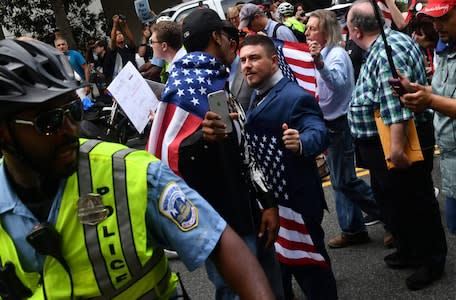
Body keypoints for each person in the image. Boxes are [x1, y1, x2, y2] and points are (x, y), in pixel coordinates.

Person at [0, 37, 274, 300]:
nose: (71, 130)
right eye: (49, 122)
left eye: (73, 111)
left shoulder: (130, 173)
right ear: (4, 134)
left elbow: (220, 243)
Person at [147, 9, 285, 299]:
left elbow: (244, 147)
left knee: (270, 288)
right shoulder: (185, 87)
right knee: (235, 291)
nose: (232, 42)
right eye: (227, 35)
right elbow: (169, 156)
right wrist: (203, 139)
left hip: (251, 211)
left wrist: (267, 203)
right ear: (216, 37)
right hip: (222, 222)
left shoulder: (217, 77)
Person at [346, 0, 447, 290]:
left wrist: (397, 149)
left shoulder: (391, 48)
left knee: (416, 201)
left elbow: (395, 102)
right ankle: (410, 250)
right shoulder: (383, 45)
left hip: (395, 142)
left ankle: (431, 261)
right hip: (381, 143)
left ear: (354, 31)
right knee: (395, 202)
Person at [240, 34, 337, 300]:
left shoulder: (294, 97)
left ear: (273, 62)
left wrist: (301, 142)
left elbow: (318, 131)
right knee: (280, 273)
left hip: (297, 205)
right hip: (273, 205)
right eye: (243, 60)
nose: (246, 65)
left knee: (312, 272)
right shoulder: (258, 93)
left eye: (254, 58)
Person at [400, 0, 456, 261]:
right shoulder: (448, 43)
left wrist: (431, 101)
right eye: (432, 19)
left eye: (443, 18)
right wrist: (421, 90)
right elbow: (449, 93)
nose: (436, 26)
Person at [305, 9, 379, 248]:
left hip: (341, 123)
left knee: (345, 180)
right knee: (339, 180)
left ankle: (391, 215)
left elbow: (337, 84)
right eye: (307, 27)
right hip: (329, 123)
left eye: (313, 27)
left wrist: (319, 64)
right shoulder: (323, 53)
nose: (307, 31)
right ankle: (353, 228)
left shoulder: (334, 55)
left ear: (326, 30)